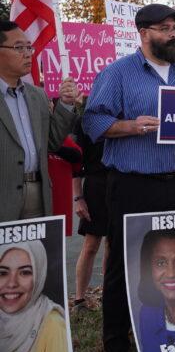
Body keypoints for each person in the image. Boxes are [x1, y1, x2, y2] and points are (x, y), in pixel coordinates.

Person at [83, 4, 175, 352]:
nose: (172, 34)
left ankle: (170, 335)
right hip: (134, 185)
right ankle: (116, 340)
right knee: (125, 263)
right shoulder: (118, 73)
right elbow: (92, 122)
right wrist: (130, 127)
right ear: (144, 32)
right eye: (165, 28)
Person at [0, 20, 78, 222]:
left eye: (29, 47)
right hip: (4, 195)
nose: (28, 53)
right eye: (19, 47)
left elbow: (51, 142)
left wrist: (66, 104)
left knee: (36, 253)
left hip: (39, 195)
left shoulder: (37, 96)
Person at [0, 241, 68, 352]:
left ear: (39, 276)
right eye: (2, 273)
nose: (12, 283)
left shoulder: (54, 326)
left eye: (25, 272)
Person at [72, 109, 109, 312]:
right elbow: (75, 164)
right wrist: (78, 198)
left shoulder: (123, 115)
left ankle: (108, 293)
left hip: (121, 184)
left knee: (113, 244)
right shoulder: (84, 120)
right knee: (91, 245)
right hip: (95, 186)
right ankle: (79, 300)